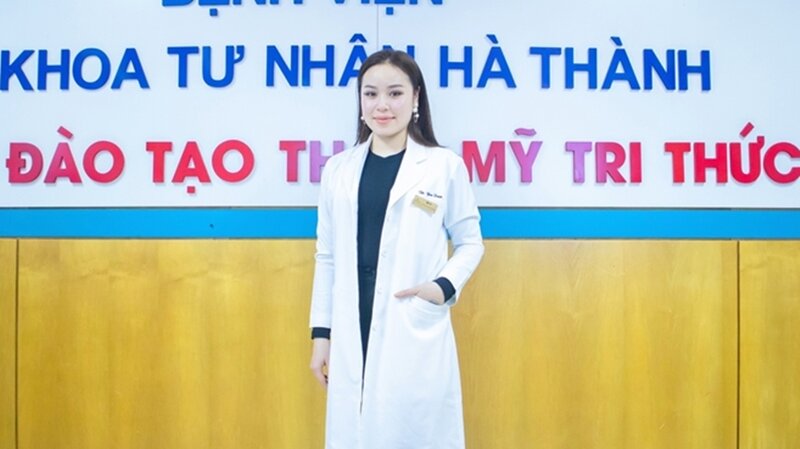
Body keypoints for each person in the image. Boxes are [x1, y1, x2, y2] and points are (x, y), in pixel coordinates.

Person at [308, 49, 484, 449]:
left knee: (412, 432)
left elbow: (471, 242)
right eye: (370, 94)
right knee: (356, 432)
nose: (382, 105)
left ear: (416, 97)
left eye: (395, 93)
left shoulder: (442, 166)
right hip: (353, 321)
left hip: (412, 319)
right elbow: (327, 256)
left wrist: (441, 288)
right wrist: (322, 335)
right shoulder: (338, 169)